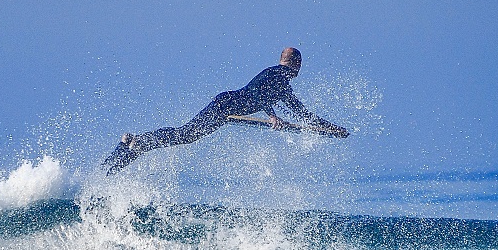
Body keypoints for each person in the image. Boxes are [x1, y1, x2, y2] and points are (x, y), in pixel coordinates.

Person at [103, 47, 348, 175]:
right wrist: (272, 115)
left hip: (226, 108)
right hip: (225, 105)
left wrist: (330, 128)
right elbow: (256, 94)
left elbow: (302, 114)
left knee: (185, 135)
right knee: (186, 135)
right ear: (297, 64)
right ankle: (135, 143)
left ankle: (133, 147)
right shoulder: (276, 74)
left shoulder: (282, 85)